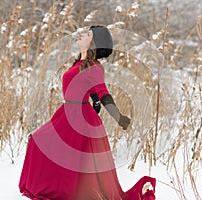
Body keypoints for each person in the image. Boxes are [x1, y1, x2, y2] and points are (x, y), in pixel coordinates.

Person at [19, 25, 156, 200]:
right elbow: (89, 89)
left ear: (94, 42)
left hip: (79, 117)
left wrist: (118, 117)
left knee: (64, 156)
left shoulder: (95, 67)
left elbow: (103, 93)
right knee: (38, 141)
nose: (82, 35)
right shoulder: (79, 63)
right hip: (66, 113)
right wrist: (94, 104)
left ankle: (64, 192)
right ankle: (52, 188)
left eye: (88, 34)